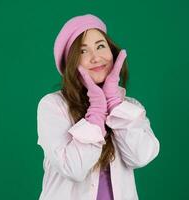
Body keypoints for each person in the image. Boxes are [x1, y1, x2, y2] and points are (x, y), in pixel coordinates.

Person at [36, 13, 160, 200]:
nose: (96, 58)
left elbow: (140, 156)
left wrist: (114, 105)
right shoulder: (53, 106)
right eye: (83, 51)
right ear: (71, 63)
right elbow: (73, 168)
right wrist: (96, 113)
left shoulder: (129, 107)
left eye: (100, 46)